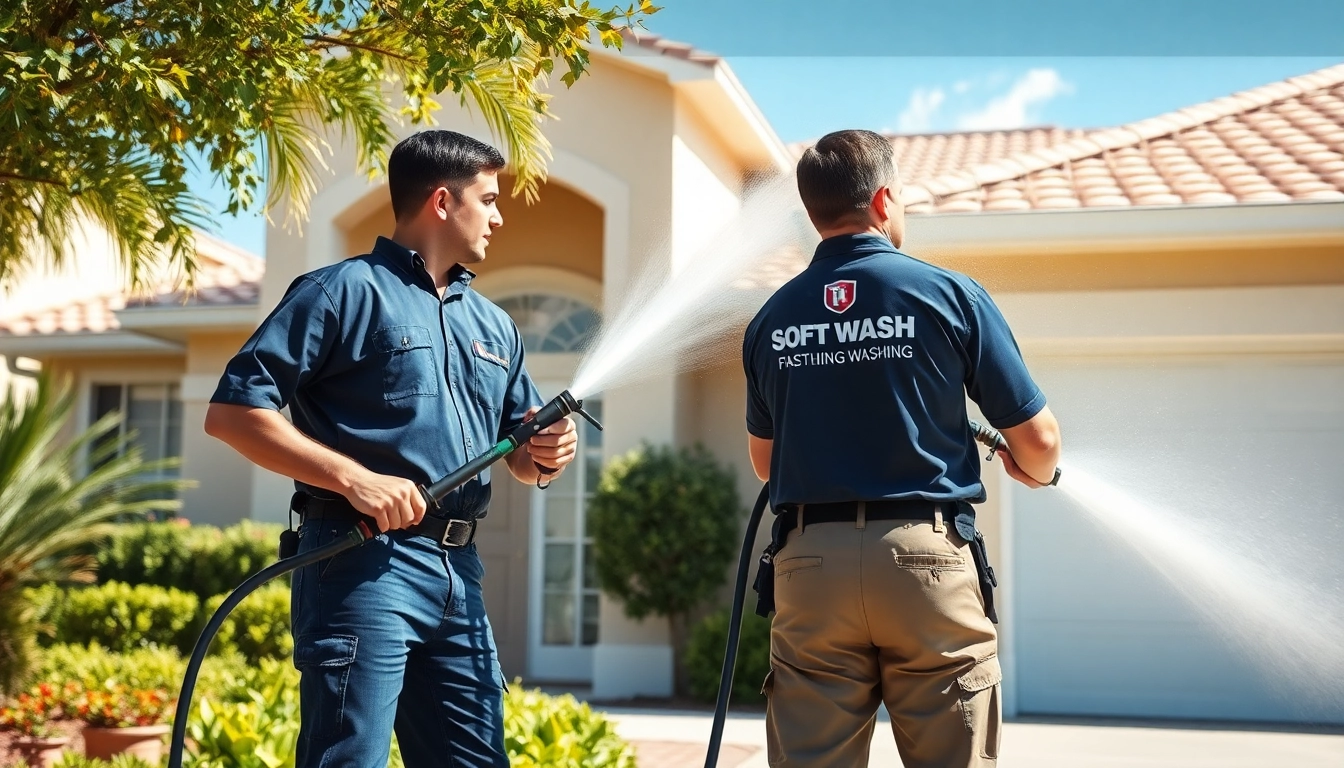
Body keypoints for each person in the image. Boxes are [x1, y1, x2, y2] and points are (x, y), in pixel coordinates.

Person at [204, 130, 577, 768]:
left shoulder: (493, 323)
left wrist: (545, 450)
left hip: (461, 573)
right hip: (361, 564)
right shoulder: (339, 292)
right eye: (488, 199)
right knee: (349, 759)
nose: (499, 215)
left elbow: (519, 452)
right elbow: (233, 414)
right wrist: (355, 479)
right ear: (441, 201)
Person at [742, 129, 1062, 767]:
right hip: (926, 563)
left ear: (814, 213)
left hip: (810, 568)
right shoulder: (948, 295)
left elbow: (766, 464)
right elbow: (1040, 441)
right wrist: (1032, 469)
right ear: (884, 199)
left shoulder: (773, 317)